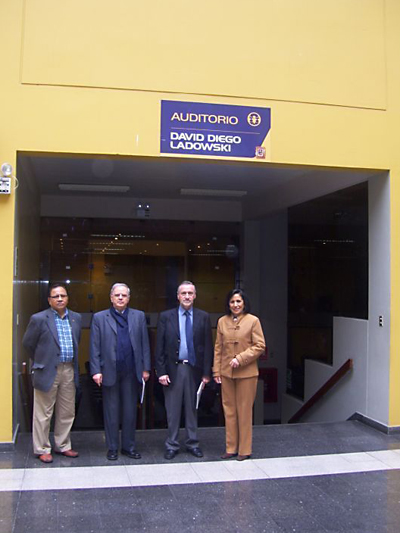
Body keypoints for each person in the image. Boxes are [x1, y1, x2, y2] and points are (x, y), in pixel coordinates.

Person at [90, 283, 150, 461]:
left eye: (124, 295)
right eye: (117, 295)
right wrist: (95, 370)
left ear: (129, 298)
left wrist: (145, 367)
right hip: (109, 370)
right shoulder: (100, 318)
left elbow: (144, 343)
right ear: (111, 297)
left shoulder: (138, 316)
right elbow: (94, 346)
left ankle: (129, 447)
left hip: (132, 371)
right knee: (111, 411)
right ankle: (112, 448)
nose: (121, 298)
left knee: (130, 411)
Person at [22, 283, 82, 463]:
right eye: (56, 296)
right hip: (47, 370)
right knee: (43, 412)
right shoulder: (39, 318)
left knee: (67, 411)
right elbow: (28, 344)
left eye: (63, 295)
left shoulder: (76, 318)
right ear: (49, 300)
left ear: (68, 298)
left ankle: (63, 445)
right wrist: (42, 361)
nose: (60, 299)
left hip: (68, 369)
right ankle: (41, 448)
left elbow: (76, 342)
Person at [155, 281, 213, 460]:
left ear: (195, 296)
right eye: (183, 293)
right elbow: (160, 347)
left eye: (190, 293)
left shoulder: (203, 317)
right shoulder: (166, 316)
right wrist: (161, 371)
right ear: (177, 296)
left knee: (192, 408)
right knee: (172, 410)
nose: (187, 296)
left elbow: (208, 346)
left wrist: (206, 372)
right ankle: (172, 444)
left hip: (194, 370)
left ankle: (192, 443)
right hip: (174, 369)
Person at [213, 288, 266, 461]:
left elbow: (260, 346)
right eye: (232, 302)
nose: (235, 305)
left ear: (244, 303)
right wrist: (216, 370)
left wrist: (241, 358)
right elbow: (218, 348)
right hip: (227, 373)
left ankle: (244, 449)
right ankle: (231, 447)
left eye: (238, 301)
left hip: (247, 373)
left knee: (244, 411)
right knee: (229, 410)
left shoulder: (253, 321)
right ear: (228, 304)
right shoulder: (222, 321)